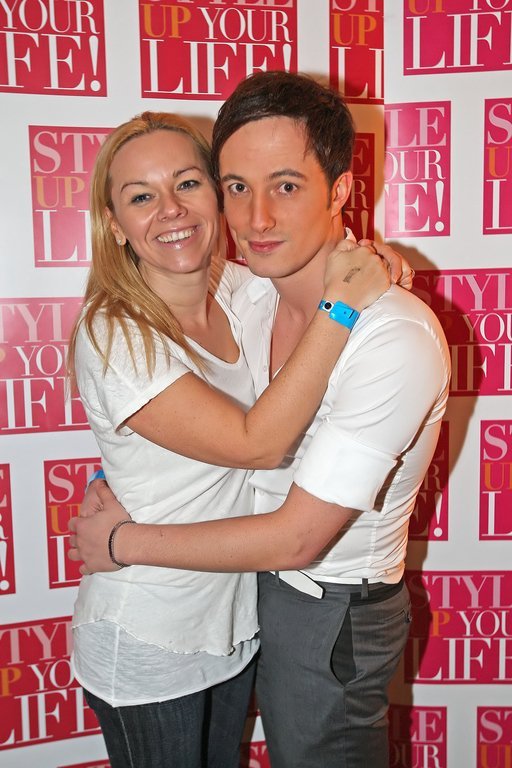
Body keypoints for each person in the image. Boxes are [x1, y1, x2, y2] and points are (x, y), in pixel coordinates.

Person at [67, 105, 399, 768]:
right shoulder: (115, 331)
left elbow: (315, 264)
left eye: (187, 183)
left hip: (232, 630)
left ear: (216, 196)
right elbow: (257, 443)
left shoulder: (234, 290)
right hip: (150, 635)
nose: (171, 209)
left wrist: (373, 261)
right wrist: (343, 304)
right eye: (141, 196)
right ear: (115, 224)